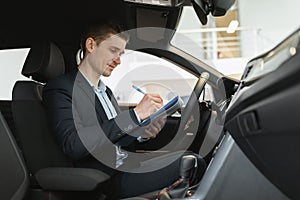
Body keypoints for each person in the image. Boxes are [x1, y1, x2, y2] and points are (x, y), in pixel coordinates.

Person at [42, 20, 206, 199]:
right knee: (192, 164)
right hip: (104, 179)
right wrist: (135, 115)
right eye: (113, 51)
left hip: (126, 166)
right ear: (91, 45)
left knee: (189, 158)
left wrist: (142, 132)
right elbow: (73, 143)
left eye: (121, 54)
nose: (118, 61)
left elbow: (114, 136)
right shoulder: (61, 89)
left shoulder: (106, 92)